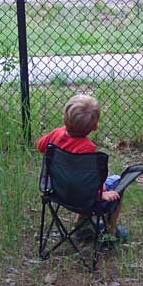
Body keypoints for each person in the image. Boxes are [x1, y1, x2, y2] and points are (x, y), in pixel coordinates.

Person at [37, 94, 128, 241]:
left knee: (79, 182)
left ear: (64, 118)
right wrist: (101, 194)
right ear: (95, 126)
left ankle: (83, 225)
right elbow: (87, 181)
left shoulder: (55, 134)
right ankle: (110, 231)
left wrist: (60, 133)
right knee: (117, 180)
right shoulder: (87, 147)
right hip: (82, 197)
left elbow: (40, 146)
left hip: (57, 190)